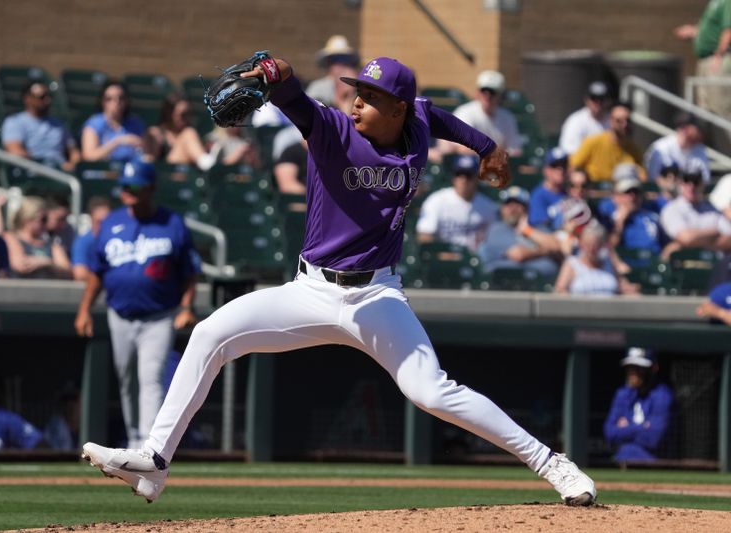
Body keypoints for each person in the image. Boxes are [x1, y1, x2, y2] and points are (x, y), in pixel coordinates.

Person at [81, 55, 596, 506]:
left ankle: (553, 464)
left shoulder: (414, 122)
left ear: (397, 108)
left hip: (377, 296)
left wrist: (486, 146)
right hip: (310, 291)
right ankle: (155, 462)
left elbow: (436, 117)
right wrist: (276, 75)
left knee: (433, 393)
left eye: (370, 98)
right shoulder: (331, 128)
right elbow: (294, 97)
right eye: (355, 92)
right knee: (209, 334)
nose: (356, 103)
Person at [74, 160, 201, 449]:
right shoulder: (111, 222)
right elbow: (97, 272)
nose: (128, 192)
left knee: (151, 378)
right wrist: (84, 310)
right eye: (124, 187)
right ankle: (133, 438)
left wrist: (186, 307)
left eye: (135, 186)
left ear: (151, 188)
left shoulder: (171, 223)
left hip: (159, 315)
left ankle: (149, 445)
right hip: (119, 314)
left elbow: (190, 272)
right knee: (127, 380)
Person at [603, 348, 674, 463]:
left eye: (639, 368)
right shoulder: (623, 394)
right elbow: (609, 433)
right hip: (620, 461)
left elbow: (653, 438)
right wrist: (641, 427)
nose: (633, 373)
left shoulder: (662, 395)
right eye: (630, 367)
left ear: (653, 368)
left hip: (653, 463)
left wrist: (626, 427)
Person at [415, 154, 498, 251]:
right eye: (459, 174)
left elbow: (495, 237)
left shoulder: (488, 206)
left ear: (477, 178)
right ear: (453, 177)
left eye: (468, 175)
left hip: (477, 260)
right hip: (445, 256)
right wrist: (438, 254)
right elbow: (424, 235)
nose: (463, 180)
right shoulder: (436, 201)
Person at [674, 1, 731, 132]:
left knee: (720, 109)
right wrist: (694, 32)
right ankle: (711, 150)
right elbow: (714, 29)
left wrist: (719, 56)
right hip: (707, 60)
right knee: (704, 110)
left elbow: (729, 30)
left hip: (718, 60)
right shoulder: (715, 2)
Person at [478, 186, 560, 276]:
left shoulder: (538, 228)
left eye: (517, 205)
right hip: (502, 282)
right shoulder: (496, 229)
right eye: (508, 204)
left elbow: (556, 247)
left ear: (527, 208)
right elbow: (519, 254)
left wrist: (528, 230)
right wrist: (544, 251)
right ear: (502, 208)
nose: (512, 209)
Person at [1, 80, 81, 171]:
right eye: (41, 97)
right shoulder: (15, 122)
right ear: (27, 98)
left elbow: (74, 151)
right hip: (32, 171)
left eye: (49, 96)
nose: (47, 100)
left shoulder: (58, 124)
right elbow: (15, 151)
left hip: (61, 172)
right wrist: (41, 165)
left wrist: (72, 164)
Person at [596, 165, 670, 262]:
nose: (632, 197)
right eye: (627, 192)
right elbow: (604, 251)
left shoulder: (652, 217)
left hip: (653, 268)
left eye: (636, 191)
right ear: (616, 196)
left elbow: (668, 244)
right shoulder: (607, 216)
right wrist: (620, 223)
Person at [660, 160, 731, 253]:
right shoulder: (671, 209)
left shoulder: (712, 209)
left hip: (712, 263)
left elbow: (729, 238)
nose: (691, 186)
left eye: (695, 181)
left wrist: (695, 240)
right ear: (680, 183)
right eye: (687, 180)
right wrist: (716, 232)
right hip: (682, 264)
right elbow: (686, 238)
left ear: (702, 183)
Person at [554, 221, 638, 295]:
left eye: (595, 246)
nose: (591, 249)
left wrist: (630, 290)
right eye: (587, 245)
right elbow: (560, 290)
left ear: (602, 245)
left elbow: (624, 286)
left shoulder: (609, 263)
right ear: (581, 244)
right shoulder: (572, 263)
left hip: (610, 310)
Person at [453, 70, 523, 157]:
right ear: (478, 92)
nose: (487, 96)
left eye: (492, 92)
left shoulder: (507, 118)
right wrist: (496, 152)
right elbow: (461, 149)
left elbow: (515, 150)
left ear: (500, 95)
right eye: (484, 90)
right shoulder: (465, 112)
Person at [569, 102, 645, 182]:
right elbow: (573, 167)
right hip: (593, 191)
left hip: (623, 191)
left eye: (628, 120)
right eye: (619, 121)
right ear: (610, 121)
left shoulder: (634, 150)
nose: (625, 125)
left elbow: (643, 177)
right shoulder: (593, 142)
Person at [3, 196, 72, 279]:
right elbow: (20, 265)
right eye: (43, 219)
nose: (47, 223)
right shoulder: (11, 237)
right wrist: (53, 264)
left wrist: (45, 262)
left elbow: (67, 271)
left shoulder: (52, 243)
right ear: (27, 218)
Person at [144, 94, 217, 171]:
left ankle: (209, 164)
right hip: (166, 173)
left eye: (189, 114)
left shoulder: (190, 133)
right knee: (188, 133)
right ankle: (210, 167)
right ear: (169, 113)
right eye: (182, 114)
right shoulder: (155, 133)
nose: (187, 118)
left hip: (187, 175)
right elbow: (149, 163)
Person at [81, 81, 146, 163]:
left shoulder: (135, 122)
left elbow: (145, 151)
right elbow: (89, 156)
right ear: (102, 101)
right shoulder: (94, 124)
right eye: (109, 99)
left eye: (121, 98)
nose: (116, 102)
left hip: (132, 169)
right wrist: (118, 142)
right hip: (103, 170)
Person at [645, 113, 710, 184]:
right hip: (664, 193)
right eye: (697, 128)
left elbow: (706, 179)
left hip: (691, 193)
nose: (700, 133)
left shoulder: (700, 149)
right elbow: (651, 178)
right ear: (684, 129)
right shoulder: (661, 147)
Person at [306, 35, 360, 107]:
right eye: (335, 59)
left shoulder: (359, 89)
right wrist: (340, 98)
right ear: (328, 64)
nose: (341, 64)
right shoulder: (318, 88)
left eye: (345, 59)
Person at [558, 81, 611, 155]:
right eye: (594, 98)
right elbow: (569, 150)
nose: (598, 102)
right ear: (586, 100)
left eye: (601, 99)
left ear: (608, 100)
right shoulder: (576, 121)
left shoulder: (613, 121)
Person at [71, 196, 112, 282]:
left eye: (107, 221)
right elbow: (80, 274)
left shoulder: (116, 240)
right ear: (91, 218)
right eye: (99, 222)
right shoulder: (83, 242)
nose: (103, 225)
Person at [528, 147, 569, 229]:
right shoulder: (539, 196)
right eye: (555, 166)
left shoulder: (571, 193)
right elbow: (541, 229)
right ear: (545, 170)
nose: (560, 170)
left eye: (563, 165)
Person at [43, 382, 81, 451]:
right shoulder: (54, 425)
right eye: (65, 399)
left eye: (74, 398)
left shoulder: (89, 424)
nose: (69, 403)